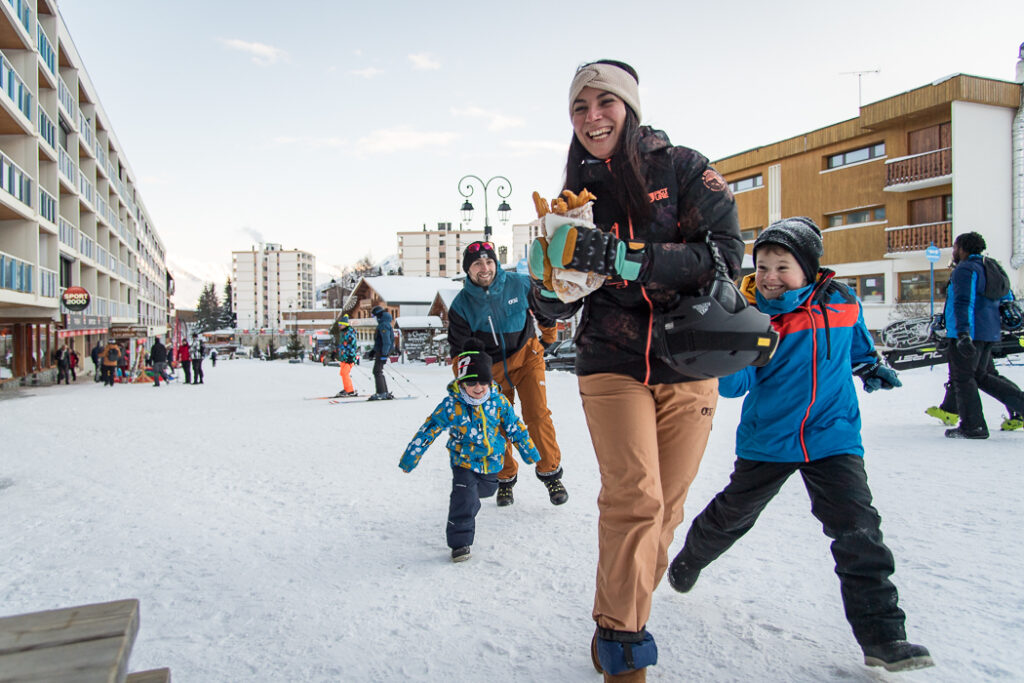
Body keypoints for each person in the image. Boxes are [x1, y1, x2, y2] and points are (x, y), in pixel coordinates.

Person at [528, 59, 742, 681]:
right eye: (579, 107)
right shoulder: (572, 194)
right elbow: (551, 299)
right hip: (611, 361)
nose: (592, 118)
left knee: (667, 510)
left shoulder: (684, 169)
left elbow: (724, 256)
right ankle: (622, 640)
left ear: (629, 106)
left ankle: (622, 610)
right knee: (636, 499)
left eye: (604, 103)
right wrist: (550, 285)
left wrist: (628, 259)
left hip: (689, 357)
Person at [668, 217, 932, 673]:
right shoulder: (750, 314)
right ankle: (690, 558)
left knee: (858, 531)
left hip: (834, 437)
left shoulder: (843, 301)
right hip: (770, 439)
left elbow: (856, 345)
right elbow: (735, 388)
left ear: (808, 268)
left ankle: (884, 638)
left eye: (782, 267)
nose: (770, 277)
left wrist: (869, 367)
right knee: (734, 514)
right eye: (764, 266)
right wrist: (721, 351)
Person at [399, 339, 540, 562]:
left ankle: (471, 498)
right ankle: (460, 543)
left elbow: (516, 427)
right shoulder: (452, 405)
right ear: (462, 382)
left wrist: (529, 451)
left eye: (483, 381)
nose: (478, 387)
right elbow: (429, 429)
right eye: (472, 382)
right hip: (463, 461)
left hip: (492, 463)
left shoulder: (498, 402)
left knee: (482, 492)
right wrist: (411, 457)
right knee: (463, 496)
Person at [448, 240, 566, 507]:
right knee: (498, 423)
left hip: (527, 358)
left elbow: (544, 311)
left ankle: (550, 474)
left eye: (489, 261)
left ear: (496, 264)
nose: (484, 268)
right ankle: (505, 479)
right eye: (477, 263)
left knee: (536, 414)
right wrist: (469, 381)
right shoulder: (461, 305)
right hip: (491, 372)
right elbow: (459, 351)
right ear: (468, 269)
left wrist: (547, 339)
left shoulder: (520, 284)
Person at [941, 232, 1024, 438]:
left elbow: (963, 301)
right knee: (982, 377)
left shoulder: (966, 269)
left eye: (955, 247)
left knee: (963, 379)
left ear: (962, 248)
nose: (954, 251)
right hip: (989, 331)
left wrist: (962, 334)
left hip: (969, 332)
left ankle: (973, 426)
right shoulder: (992, 266)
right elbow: (1007, 297)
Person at [366, 306, 394, 400]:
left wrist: (384, 355)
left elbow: (387, 342)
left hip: (383, 351)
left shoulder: (384, 325)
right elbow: (379, 341)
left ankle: (381, 392)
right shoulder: (383, 323)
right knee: (378, 371)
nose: (374, 318)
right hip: (380, 351)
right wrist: (373, 351)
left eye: (374, 315)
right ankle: (384, 392)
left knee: (377, 371)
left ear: (378, 315)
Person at [335, 314, 358, 397]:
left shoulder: (349, 333)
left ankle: (350, 390)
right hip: (344, 357)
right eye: (339, 325)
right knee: (342, 373)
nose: (339, 326)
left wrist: (351, 357)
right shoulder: (343, 333)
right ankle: (347, 388)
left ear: (345, 325)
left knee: (345, 373)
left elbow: (352, 346)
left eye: (340, 324)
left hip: (349, 357)